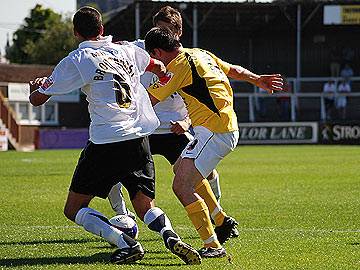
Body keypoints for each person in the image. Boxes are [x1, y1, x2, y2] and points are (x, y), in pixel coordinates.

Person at [28, 6, 201, 265]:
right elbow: (156, 65)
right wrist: (162, 75)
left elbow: (37, 100)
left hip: (106, 142)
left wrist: (36, 87)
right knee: (145, 206)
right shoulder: (127, 50)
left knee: (73, 209)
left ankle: (125, 242)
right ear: (102, 29)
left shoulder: (77, 59)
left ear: (76, 33)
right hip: (139, 139)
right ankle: (169, 234)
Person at [144, 27, 283, 257]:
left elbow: (148, 101)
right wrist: (257, 79)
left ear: (157, 52)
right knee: (181, 168)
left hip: (214, 132)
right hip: (218, 128)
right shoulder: (201, 53)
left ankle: (212, 245)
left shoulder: (176, 66)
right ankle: (220, 219)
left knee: (181, 186)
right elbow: (234, 71)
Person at [108, 5, 239, 242]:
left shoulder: (186, 59)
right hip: (143, 129)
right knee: (110, 169)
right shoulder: (143, 47)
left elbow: (201, 95)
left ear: (177, 32)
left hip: (173, 129)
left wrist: (186, 120)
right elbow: (115, 49)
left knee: (194, 176)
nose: (161, 34)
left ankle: (218, 220)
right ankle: (124, 216)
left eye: (166, 30)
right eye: (157, 29)